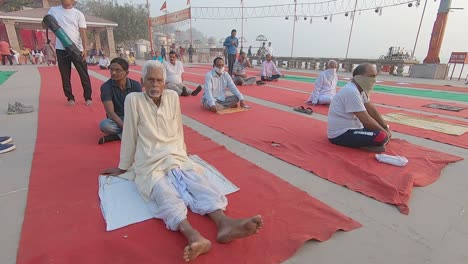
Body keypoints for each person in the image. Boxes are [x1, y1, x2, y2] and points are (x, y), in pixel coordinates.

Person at [102, 60, 263, 262]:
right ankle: (193, 236)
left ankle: (224, 224)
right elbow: (129, 135)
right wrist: (124, 166)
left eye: (159, 80)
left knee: (198, 183)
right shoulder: (133, 100)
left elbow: (178, 130)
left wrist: (183, 158)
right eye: (150, 80)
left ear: (165, 83)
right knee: (164, 193)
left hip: (175, 155)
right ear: (142, 82)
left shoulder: (171, 97)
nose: (154, 85)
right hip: (149, 161)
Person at [327, 63, 391, 153]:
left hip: (356, 128)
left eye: (375, 76)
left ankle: (367, 143)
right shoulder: (351, 91)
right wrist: (385, 133)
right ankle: (364, 145)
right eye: (371, 76)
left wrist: (384, 127)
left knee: (381, 132)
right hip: (341, 134)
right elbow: (366, 120)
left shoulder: (361, 90)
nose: (374, 80)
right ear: (359, 77)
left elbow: (371, 109)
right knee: (381, 137)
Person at [48, 0, 93, 106]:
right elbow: (46, 24)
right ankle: (70, 98)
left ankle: (88, 97)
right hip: (61, 49)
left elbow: (82, 31)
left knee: (84, 74)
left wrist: (85, 49)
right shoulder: (53, 11)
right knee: (65, 75)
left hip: (77, 49)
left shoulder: (78, 14)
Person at [98, 58, 142, 144]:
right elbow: (110, 113)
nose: (113, 73)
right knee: (105, 125)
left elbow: (140, 108)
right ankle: (132, 134)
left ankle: (117, 136)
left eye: (118, 70)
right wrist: (126, 127)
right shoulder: (106, 87)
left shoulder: (136, 85)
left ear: (127, 72)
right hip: (116, 119)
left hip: (133, 117)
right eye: (111, 69)